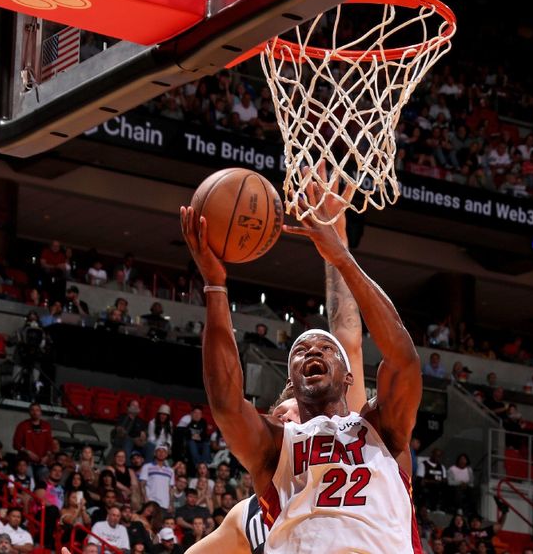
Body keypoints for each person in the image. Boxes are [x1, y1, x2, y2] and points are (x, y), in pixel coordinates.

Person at [179, 166, 422, 553]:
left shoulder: (379, 430)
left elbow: (399, 357)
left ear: (348, 379)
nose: (311, 350)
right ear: (289, 385)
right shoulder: (277, 453)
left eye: (325, 350)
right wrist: (214, 284)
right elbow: (226, 404)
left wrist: (341, 255)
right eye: (299, 351)